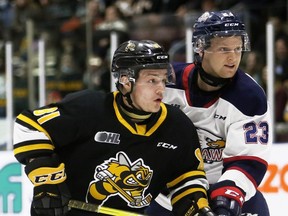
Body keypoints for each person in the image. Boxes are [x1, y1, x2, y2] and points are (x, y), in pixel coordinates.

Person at [13, 40, 216, 216]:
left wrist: (196, 207)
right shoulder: (89, 108)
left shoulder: (177, 125)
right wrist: (47, 183)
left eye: (164, 80)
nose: (161, 88)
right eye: (152, 80)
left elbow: (187, 176)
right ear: (126, 81)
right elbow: (29, 124)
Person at [148, 10, 272, 216]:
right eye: (224, 49)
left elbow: (249, 161)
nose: (233, 57)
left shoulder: (249, 96)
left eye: (238, 48)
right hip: (170, 199)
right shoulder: (165, 83)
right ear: (200, 48)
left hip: (228, 195)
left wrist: (225, 200)